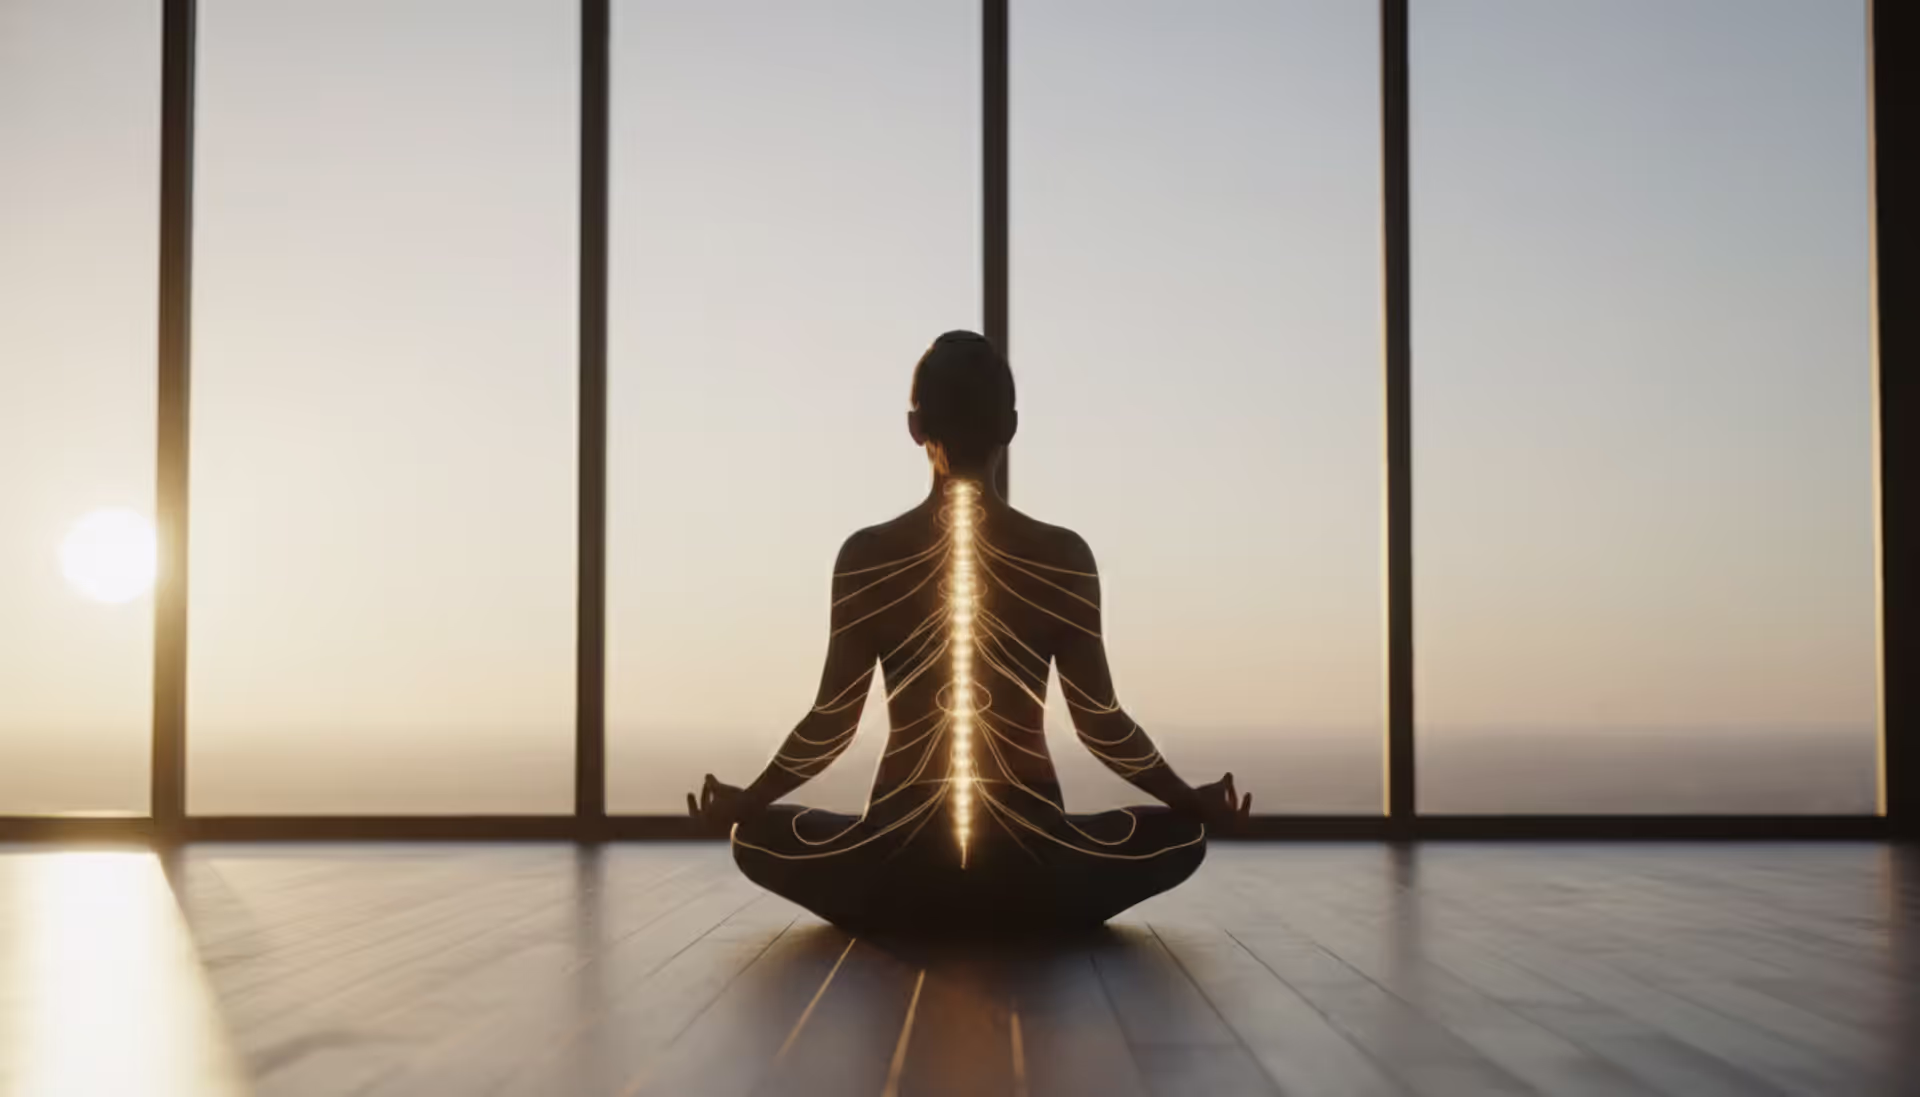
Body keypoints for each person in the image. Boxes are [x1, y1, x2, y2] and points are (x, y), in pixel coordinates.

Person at [687, 331, 1251, 934]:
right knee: (1181, 835)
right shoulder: (1062, 555)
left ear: (914, 427)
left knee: (755, 834)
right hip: (1033, 864)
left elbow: (832, 722)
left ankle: (919, 911)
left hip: (896, 862)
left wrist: (747, 802)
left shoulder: (867, 555)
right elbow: (1100, 724)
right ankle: (1017, 912)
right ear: (1010, 426)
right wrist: (1193, 803)